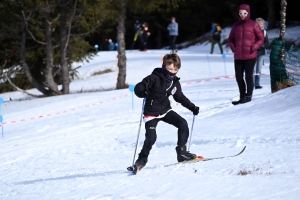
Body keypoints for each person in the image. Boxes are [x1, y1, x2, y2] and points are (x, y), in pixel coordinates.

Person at [133, 53, 200, 171]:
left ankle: (182, 153)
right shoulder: (153, 78)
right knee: (151, 138)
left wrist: (192, 107)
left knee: (182, 123)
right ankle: (141, 160)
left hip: (165, 110)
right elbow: (140, 86)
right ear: (164, 67)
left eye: (175, 69)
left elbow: (180, 97)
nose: (172, 72)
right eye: (170, 69)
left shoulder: (174, 82)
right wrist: (141, 91)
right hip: (151, 113)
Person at [228, 4, 264, 105]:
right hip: (238, 56)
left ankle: (248, 97)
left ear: (248, 13)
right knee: (239, 77)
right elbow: (230, 39)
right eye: (240, 13)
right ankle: (242, 97)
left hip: (251, 55)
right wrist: (234, 49)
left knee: (248, 77)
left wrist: (254, 47)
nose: (242, 15)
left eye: (244, 13)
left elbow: (261, 39)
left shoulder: (254, 25)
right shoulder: (236, 25)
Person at [253, 17, 269, 89]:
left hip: (261, 53)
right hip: (253, 52)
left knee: (258, 69)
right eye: (261, 24)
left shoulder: (264, 32)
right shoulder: (252, 32)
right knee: (252, 69)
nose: (262, 25)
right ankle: (252, 85)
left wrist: (262, 46)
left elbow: (267, 42)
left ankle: (257, 84)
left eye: (263, 24)